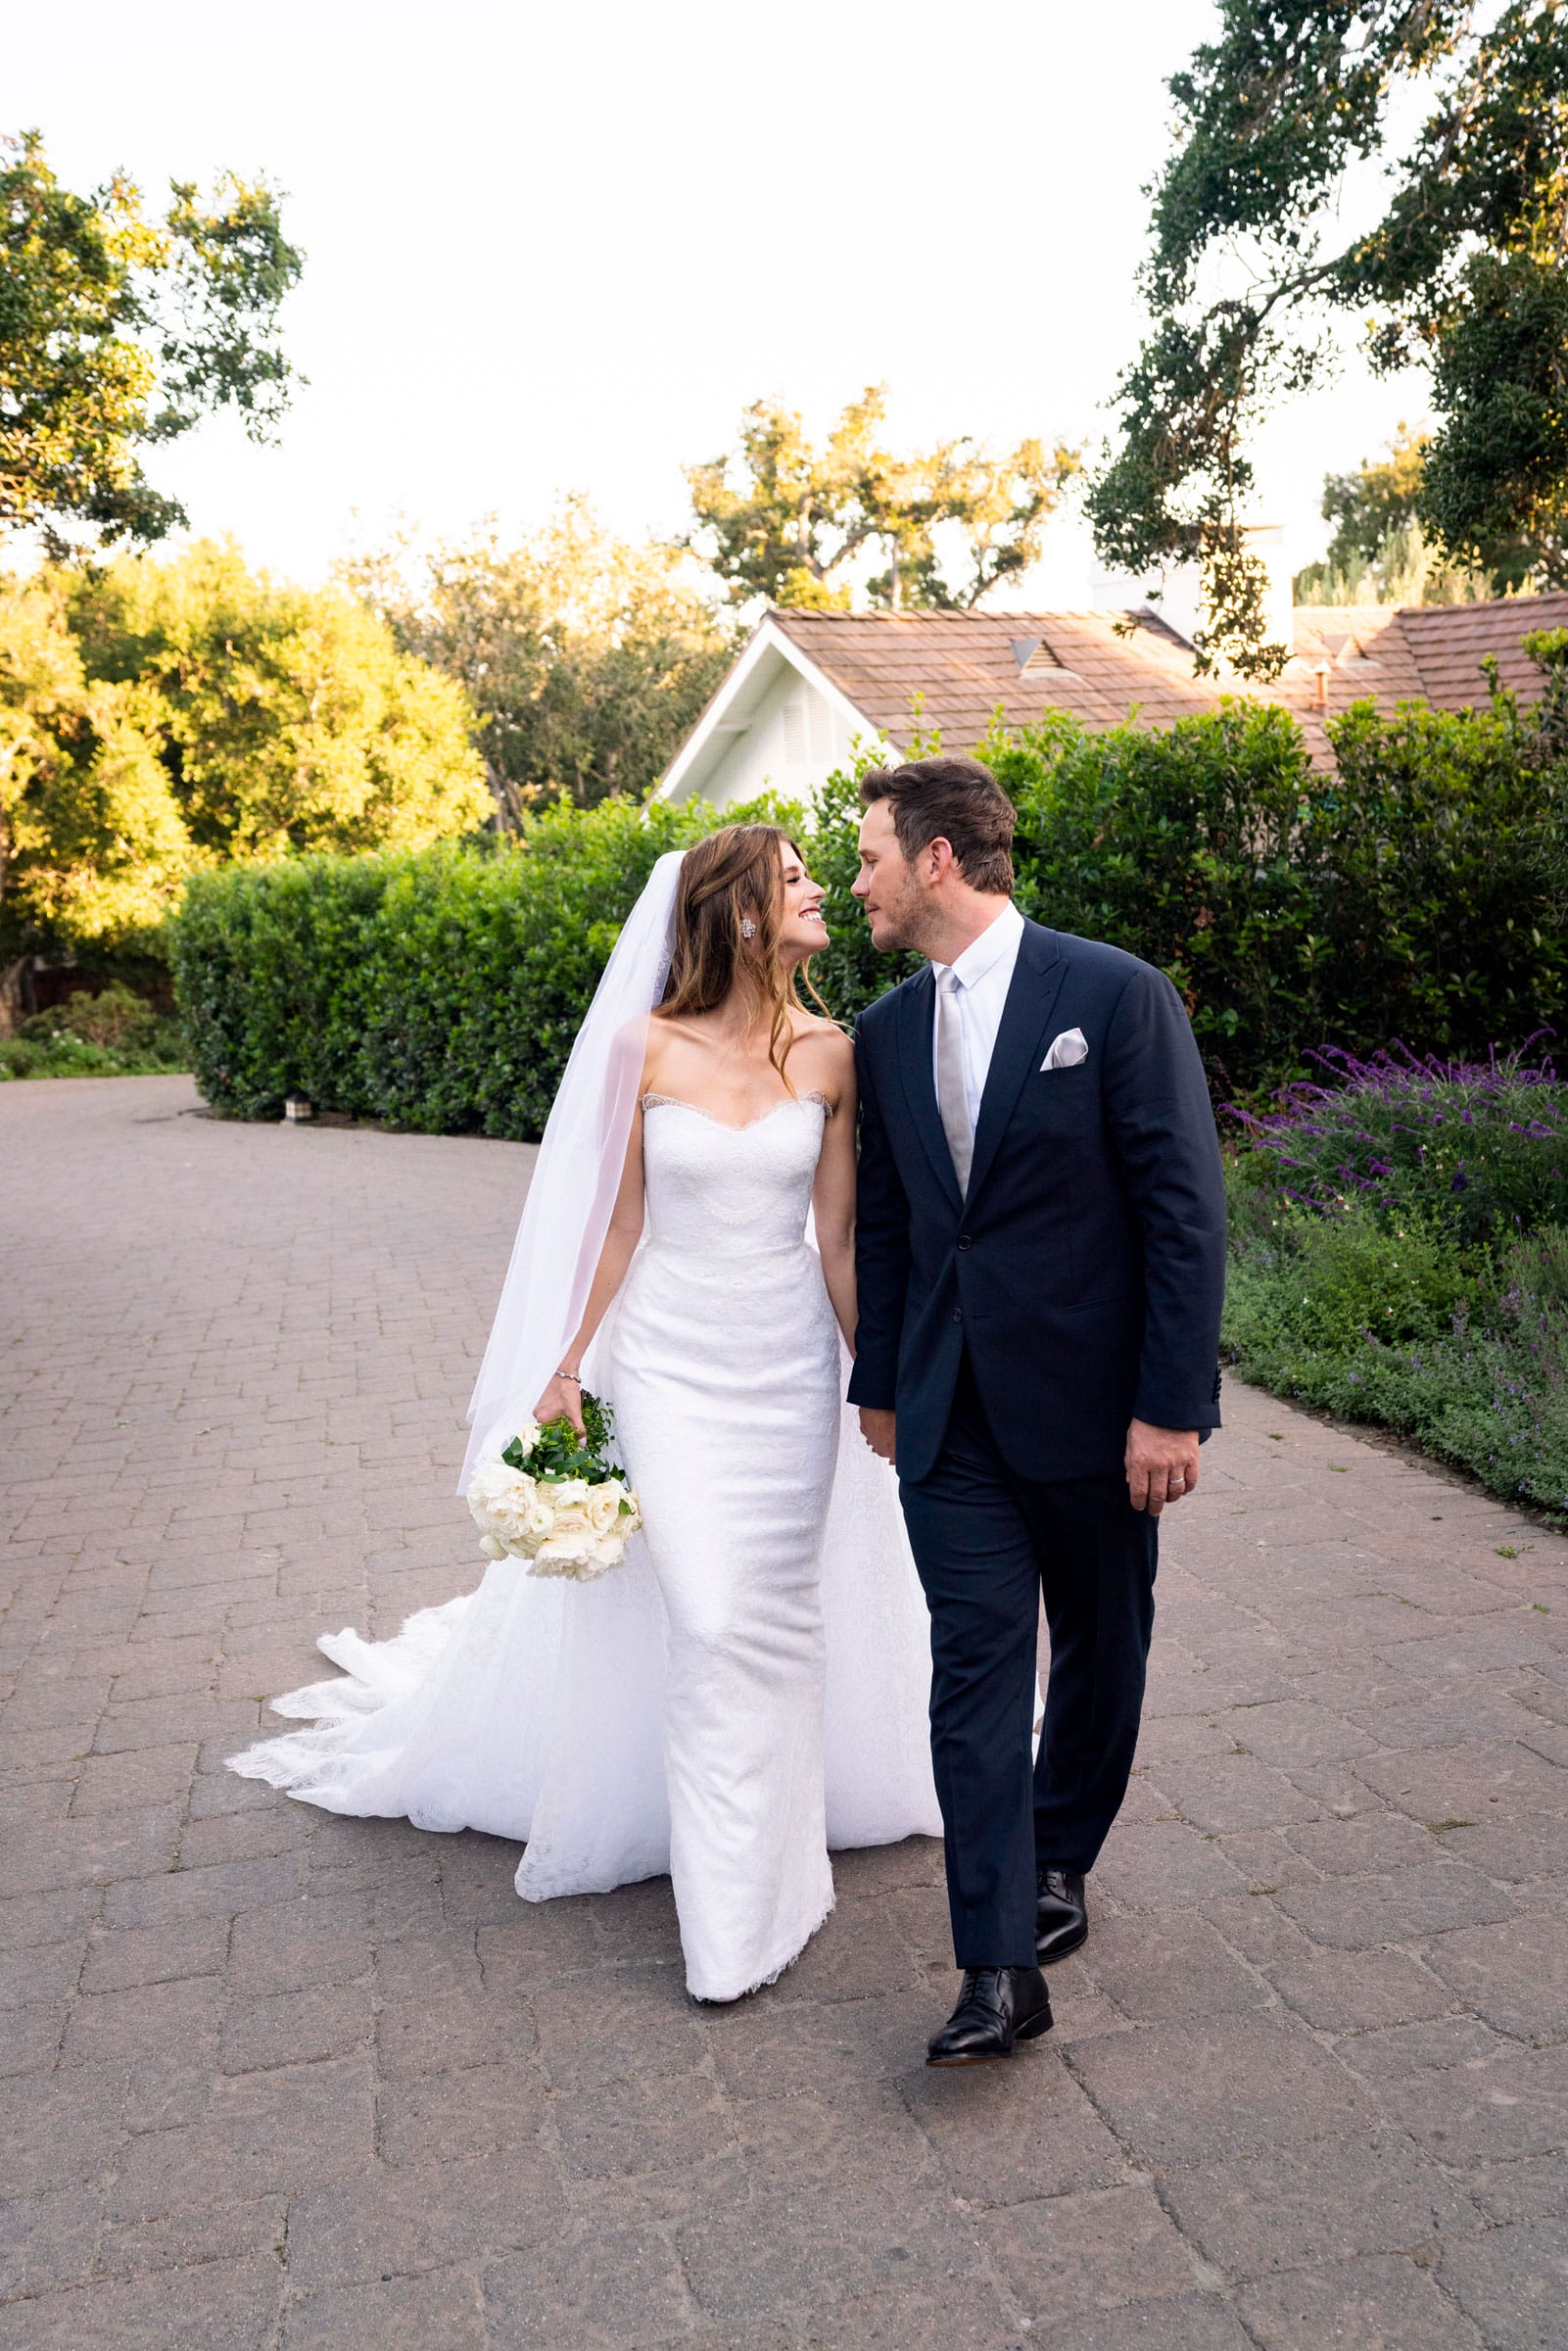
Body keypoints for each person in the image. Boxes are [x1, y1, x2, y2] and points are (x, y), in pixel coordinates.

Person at [229, 826, 939, 2005]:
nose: (824, 891)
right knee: (710, 1622)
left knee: (775, 1620)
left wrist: (881, 1383)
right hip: (667, 1367)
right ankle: (730, 1929)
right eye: (799, 879)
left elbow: (839, 1238)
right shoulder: (640, 1047)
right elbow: (614, 1227)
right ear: (743, 914)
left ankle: (782, 1870)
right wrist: (563, 1366)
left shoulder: (829, 1054)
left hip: (788, 1378)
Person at [848, 755, 1227, 2066]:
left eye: (871, 860)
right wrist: (885, 1387)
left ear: (938, 858)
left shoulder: (1115, 995)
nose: (859, 885)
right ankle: (997, 1964)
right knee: (974, 1667)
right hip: (948, 1421)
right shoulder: (887, 1032)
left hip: (1096, 1412)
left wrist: (1170, 1408)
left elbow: (1183, 1211)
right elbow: (893, 1225)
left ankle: (1062, 1855)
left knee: (1103, 1643)